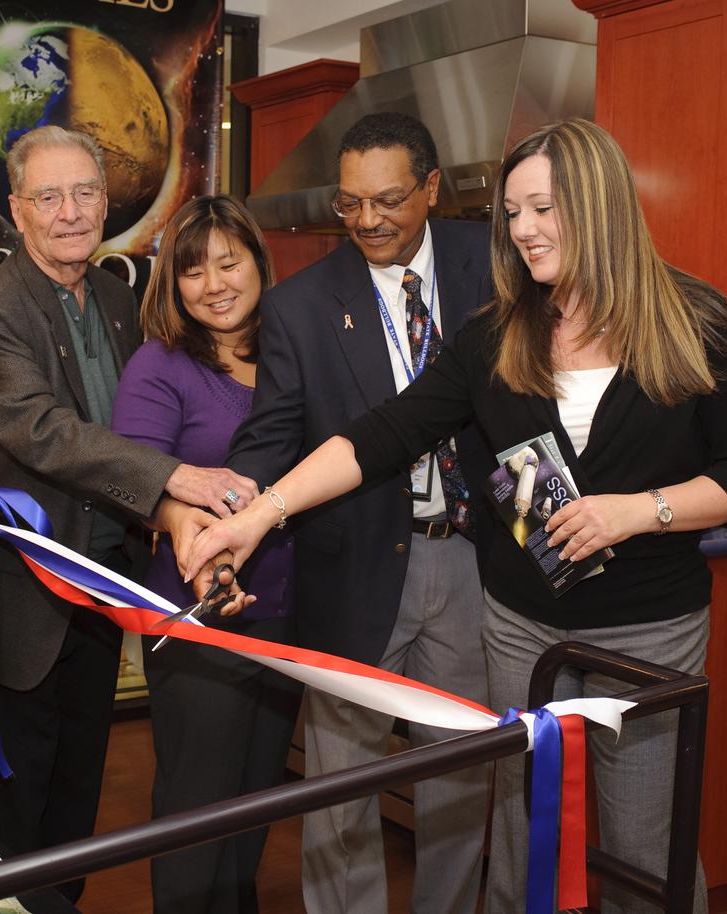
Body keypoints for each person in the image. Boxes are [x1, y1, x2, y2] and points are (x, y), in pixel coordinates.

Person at [186, 117, 727, 914]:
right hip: (520, 628)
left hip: (650, 630)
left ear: (598, 203)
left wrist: (640, 512)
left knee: (648, 844)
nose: (523, 231)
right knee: (521, 836)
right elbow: (382, 435)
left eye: (542, 209)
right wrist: (257, 516)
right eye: (511, 213)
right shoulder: (500, 331)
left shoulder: (696, 321)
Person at [0, 126, 257, 902]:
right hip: (17, 594)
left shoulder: (120, 297)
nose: (71, 212)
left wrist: (172, 510)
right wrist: (180, 478)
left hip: (99, 584)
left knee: (79, 786)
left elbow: (135, 424)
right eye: (49, 197)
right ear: (17, 211)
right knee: (11, 801)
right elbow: (44, 433)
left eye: (85, 192)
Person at [222, 111, 493, 914]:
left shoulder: (498, 268)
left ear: (433, 189)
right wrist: (235, 506)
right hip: (352, 568)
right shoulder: (302, 305)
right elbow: (270, 436)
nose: (367, 221)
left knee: (464, 773)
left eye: (388, 200)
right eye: (349, 204)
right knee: (341, 786)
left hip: (475, 563)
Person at [110, 195, 300, 913]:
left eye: (229, 262)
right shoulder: (161, 365)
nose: (214, 284)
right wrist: (186, 521)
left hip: (288, 618)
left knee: (254, 802)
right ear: (172, 284)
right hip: (197, 621)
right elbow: (135, 475)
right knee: (198, 808)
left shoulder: (292, 354)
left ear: (258, 261)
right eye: (193, 271)